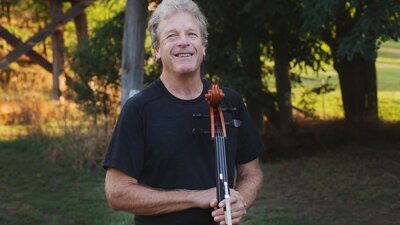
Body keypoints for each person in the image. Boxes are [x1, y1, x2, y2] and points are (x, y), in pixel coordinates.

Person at [103, 0, 265, 224]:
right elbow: (116, 193)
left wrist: (241, 201)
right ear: (157, 50)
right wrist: (194, 197)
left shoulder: (230, 102)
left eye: (191, 34)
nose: (183, 42)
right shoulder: (139, 109)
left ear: (203, 46)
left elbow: (251, 173)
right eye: (171, 36)